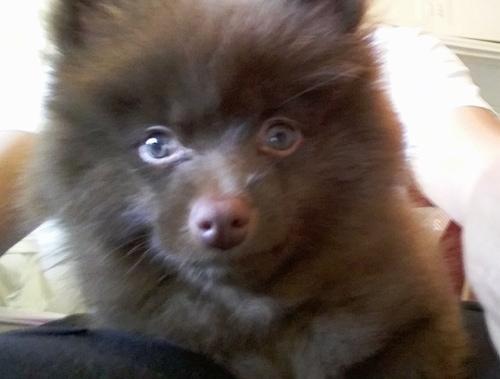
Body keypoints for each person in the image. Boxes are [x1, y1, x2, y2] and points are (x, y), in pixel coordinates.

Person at [0, 26, 499, 376]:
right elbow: (29, 161)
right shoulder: (122, 40)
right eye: (159, 146)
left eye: (279, 135)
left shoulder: (381, 50)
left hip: (375, 325)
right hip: (149, 342)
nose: (224, 201)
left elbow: (467, 155)